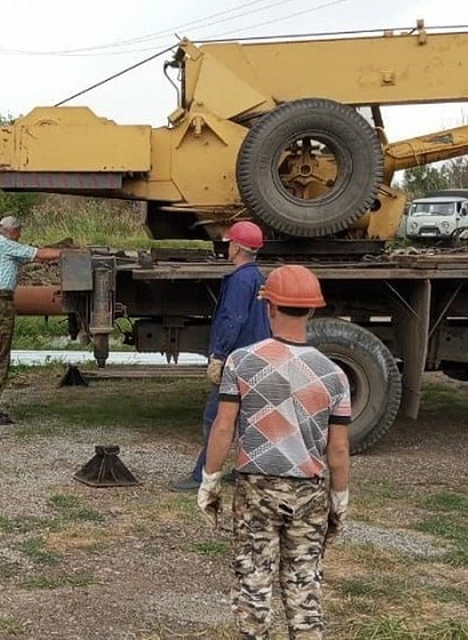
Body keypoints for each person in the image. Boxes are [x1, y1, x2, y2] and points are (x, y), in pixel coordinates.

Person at [197, 265, 351, 640]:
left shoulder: (241, 362)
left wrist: (210, 480)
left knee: (253, 583)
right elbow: (339, 447)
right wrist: (339, 498)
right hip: (310, 493)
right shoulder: (334, 374)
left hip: (256, 491)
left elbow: (224, 426)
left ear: (269, 308)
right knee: (304, 589)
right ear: (312, 310)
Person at [172, 220, 271, 492]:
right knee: (248, 419)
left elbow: (232, 319)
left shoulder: (240, 280)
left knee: (215, 418)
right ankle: (244, 471)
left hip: (236, 360)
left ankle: (202, 475)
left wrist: (219, 354)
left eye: (230, 244)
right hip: (255, 357)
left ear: (237, 248)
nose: (227, 248)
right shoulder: (257, 277)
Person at [0, 215, 61, 425]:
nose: (21, 234)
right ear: (12, 231)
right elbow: (39, 254)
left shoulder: (0, 245)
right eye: (19, 231)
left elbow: (35, 257)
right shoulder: (6, 245)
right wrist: (69, 254)